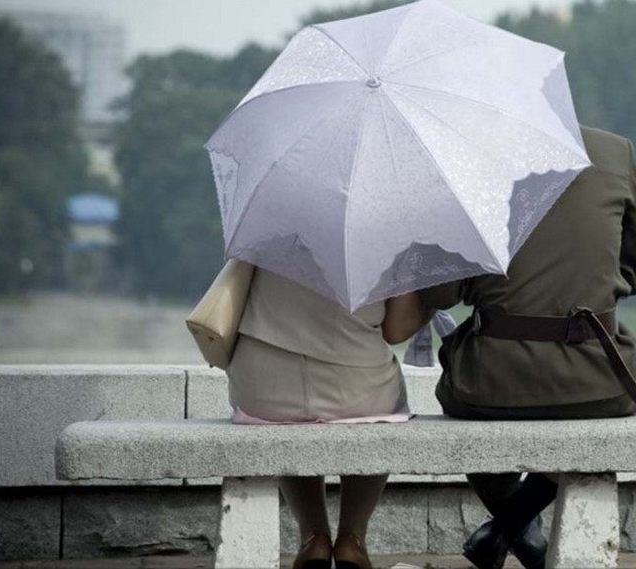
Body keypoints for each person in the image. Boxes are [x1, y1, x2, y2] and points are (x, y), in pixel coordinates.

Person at [417, 126, 636, 569]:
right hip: (601, 381)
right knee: (573, 411)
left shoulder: (469, 159)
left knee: (464, 397)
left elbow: (440, 296)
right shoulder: (616, 151)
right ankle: (514, 527)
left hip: (489, 386)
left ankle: (508, 527)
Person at [227, 267, 432, 569]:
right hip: (355, 390)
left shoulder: (265, 228)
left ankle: (313, 537)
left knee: (288, 419)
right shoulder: (385, 234)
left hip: (263, 390)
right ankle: (352, 539)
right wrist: (430, 306)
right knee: (382, 412)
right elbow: (396, 329)